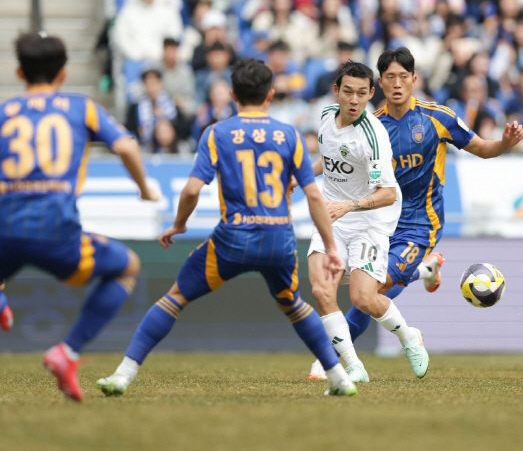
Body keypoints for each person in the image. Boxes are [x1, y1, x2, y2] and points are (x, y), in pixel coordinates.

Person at [96, 58, 357, 397]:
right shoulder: (290, 135)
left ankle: (123, 375)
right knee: (293, 303)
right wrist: (331, 247)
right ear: (271, 94)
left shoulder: (218, 133)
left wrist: (178, 225)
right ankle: (338, 377)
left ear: (233, 94)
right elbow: (313, 196)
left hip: (233, 238)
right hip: (278, 237)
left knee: (175, 297)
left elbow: (191, 189)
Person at [310, 47, 523, 380]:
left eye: (403, 77)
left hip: (419, 223)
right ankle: (425, 271)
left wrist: (505, 144)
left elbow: (481, 148)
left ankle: (336, 357)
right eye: (390, 77)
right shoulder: (371, 126)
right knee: (365, 291)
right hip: (379, 219)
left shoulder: (437, 117)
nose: (397, 84)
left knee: (372, 290)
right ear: (380, 83)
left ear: (414, 79)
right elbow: (337, 160)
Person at [0, 32, 159, 401]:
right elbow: (125, 145)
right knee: (126, 267)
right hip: (56, 231)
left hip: (5, 227)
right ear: (64, 74)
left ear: (19, 72)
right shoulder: (80, 108)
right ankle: (67, 351)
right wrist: (145, 189)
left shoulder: (4, 113)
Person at [302, 61, 428, 384]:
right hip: (333, 219)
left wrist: (349, 205)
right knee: (321, 288)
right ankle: (353, 365)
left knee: (363, 299)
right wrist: (301, 176)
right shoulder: (325, 117)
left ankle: (409, 337)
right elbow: (330, 159)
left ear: (372, 94)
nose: (354, 100)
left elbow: (387, 193)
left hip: (368, 222)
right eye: (348, 92)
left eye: (362, 93)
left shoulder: (373, 137)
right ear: (337, 92)